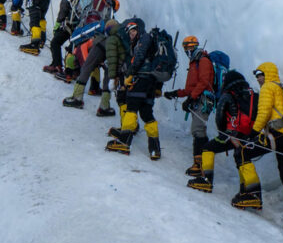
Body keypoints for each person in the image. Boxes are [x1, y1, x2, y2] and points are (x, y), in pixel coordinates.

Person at [186, 70, 262, 210]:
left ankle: (206, 180)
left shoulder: (228, 94)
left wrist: (222, 132)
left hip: (231, 134)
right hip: (248, 135)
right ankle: (251, 192)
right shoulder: (254, 95)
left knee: (208, 148)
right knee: (241, 157)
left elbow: (220, 116)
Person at [250, 62, 283, 231]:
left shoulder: (267, 88)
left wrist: (254, 131)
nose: (258, 78)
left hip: (278, 135)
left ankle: (250, 194)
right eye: (256, 75)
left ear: (267, 73)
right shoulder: (281, 88)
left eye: (260, 74)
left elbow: (264, 112)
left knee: (242, 153)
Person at [106, 23, 162, 160]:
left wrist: (130, 74)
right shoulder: (154, 44)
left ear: (138, 31)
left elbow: (139, 58)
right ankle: (155, 149)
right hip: (151, 81)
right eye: (129, 33)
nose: (131, 36)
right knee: (146, 113)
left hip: (142, 78)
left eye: (132, 32)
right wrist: (158, 87)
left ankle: (124, 142)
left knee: (131, 107)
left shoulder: (144, 39)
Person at [162, 35, 214, 176]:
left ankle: (201, 165)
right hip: (198, 99)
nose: (187, 51)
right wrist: (176, 94)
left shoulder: (202, 61)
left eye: (189, 48)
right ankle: (201, 163)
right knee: (197, 130)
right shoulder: (194, 62)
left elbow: (203, 83)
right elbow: (190, 88)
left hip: (203, 100)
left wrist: (191, 98)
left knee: (198, 130)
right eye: (186, 48)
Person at [62, 19, 118, 108]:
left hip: (93, 54)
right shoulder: (114, 40)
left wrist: (85, 67)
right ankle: (103, 105)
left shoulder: (88, 42)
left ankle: (77, 96)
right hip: (107, 53)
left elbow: (86, 62)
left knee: (88, 68)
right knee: (105, 73)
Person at [43, 0, 80, 74]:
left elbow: (63, 10)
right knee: (74, 48)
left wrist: (58, 23)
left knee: (55, 43)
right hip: (79, 28)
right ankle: (75, 71)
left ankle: (56, 65)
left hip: (69, 25)